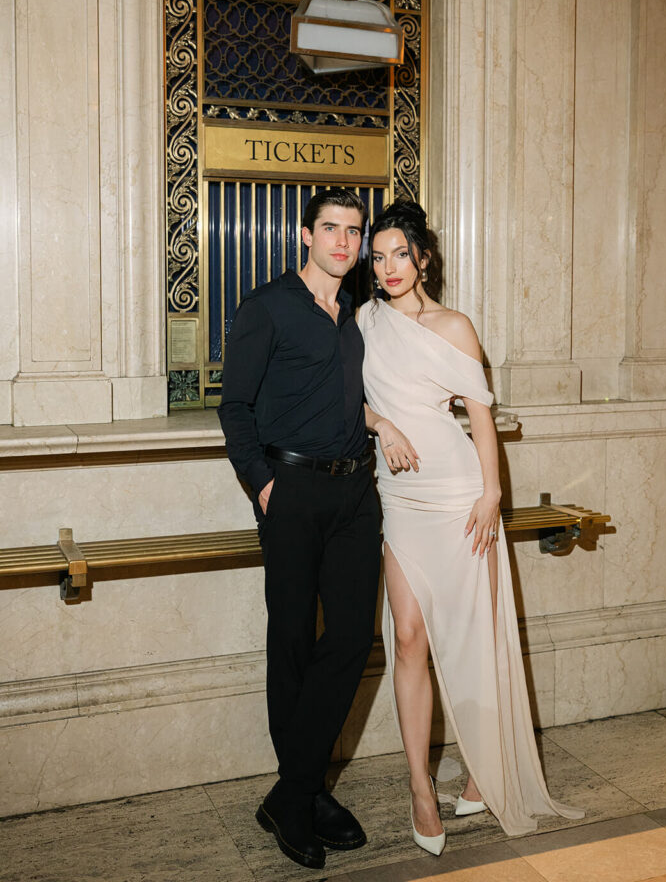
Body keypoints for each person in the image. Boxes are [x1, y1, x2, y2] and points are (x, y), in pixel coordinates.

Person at [357, 200, 584, 847]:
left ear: (422, 258)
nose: (388, 266)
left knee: (473, 636)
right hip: (400, 501)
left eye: (400, 253)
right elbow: (351, 400)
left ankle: (483, 773)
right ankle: (419, 790)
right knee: (407, 639)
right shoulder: (363, 323)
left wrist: (491, 493)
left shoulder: (453, 326)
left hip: (458, 494)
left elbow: (480, 421)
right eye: (378, 257)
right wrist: (380, 422)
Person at [217, 188, 384, 872]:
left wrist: (385, 423)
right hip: (290, 490)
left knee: (347, 641)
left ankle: (292, 792)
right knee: (290, 641)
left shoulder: (354, 314)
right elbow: (234, 407)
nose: (343, 242)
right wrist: (263, 484)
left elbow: (353, 397)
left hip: (354, 494)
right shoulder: (267, 306)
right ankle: (304, 793)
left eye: (353, 231)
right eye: (331, 229)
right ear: (305, 235)